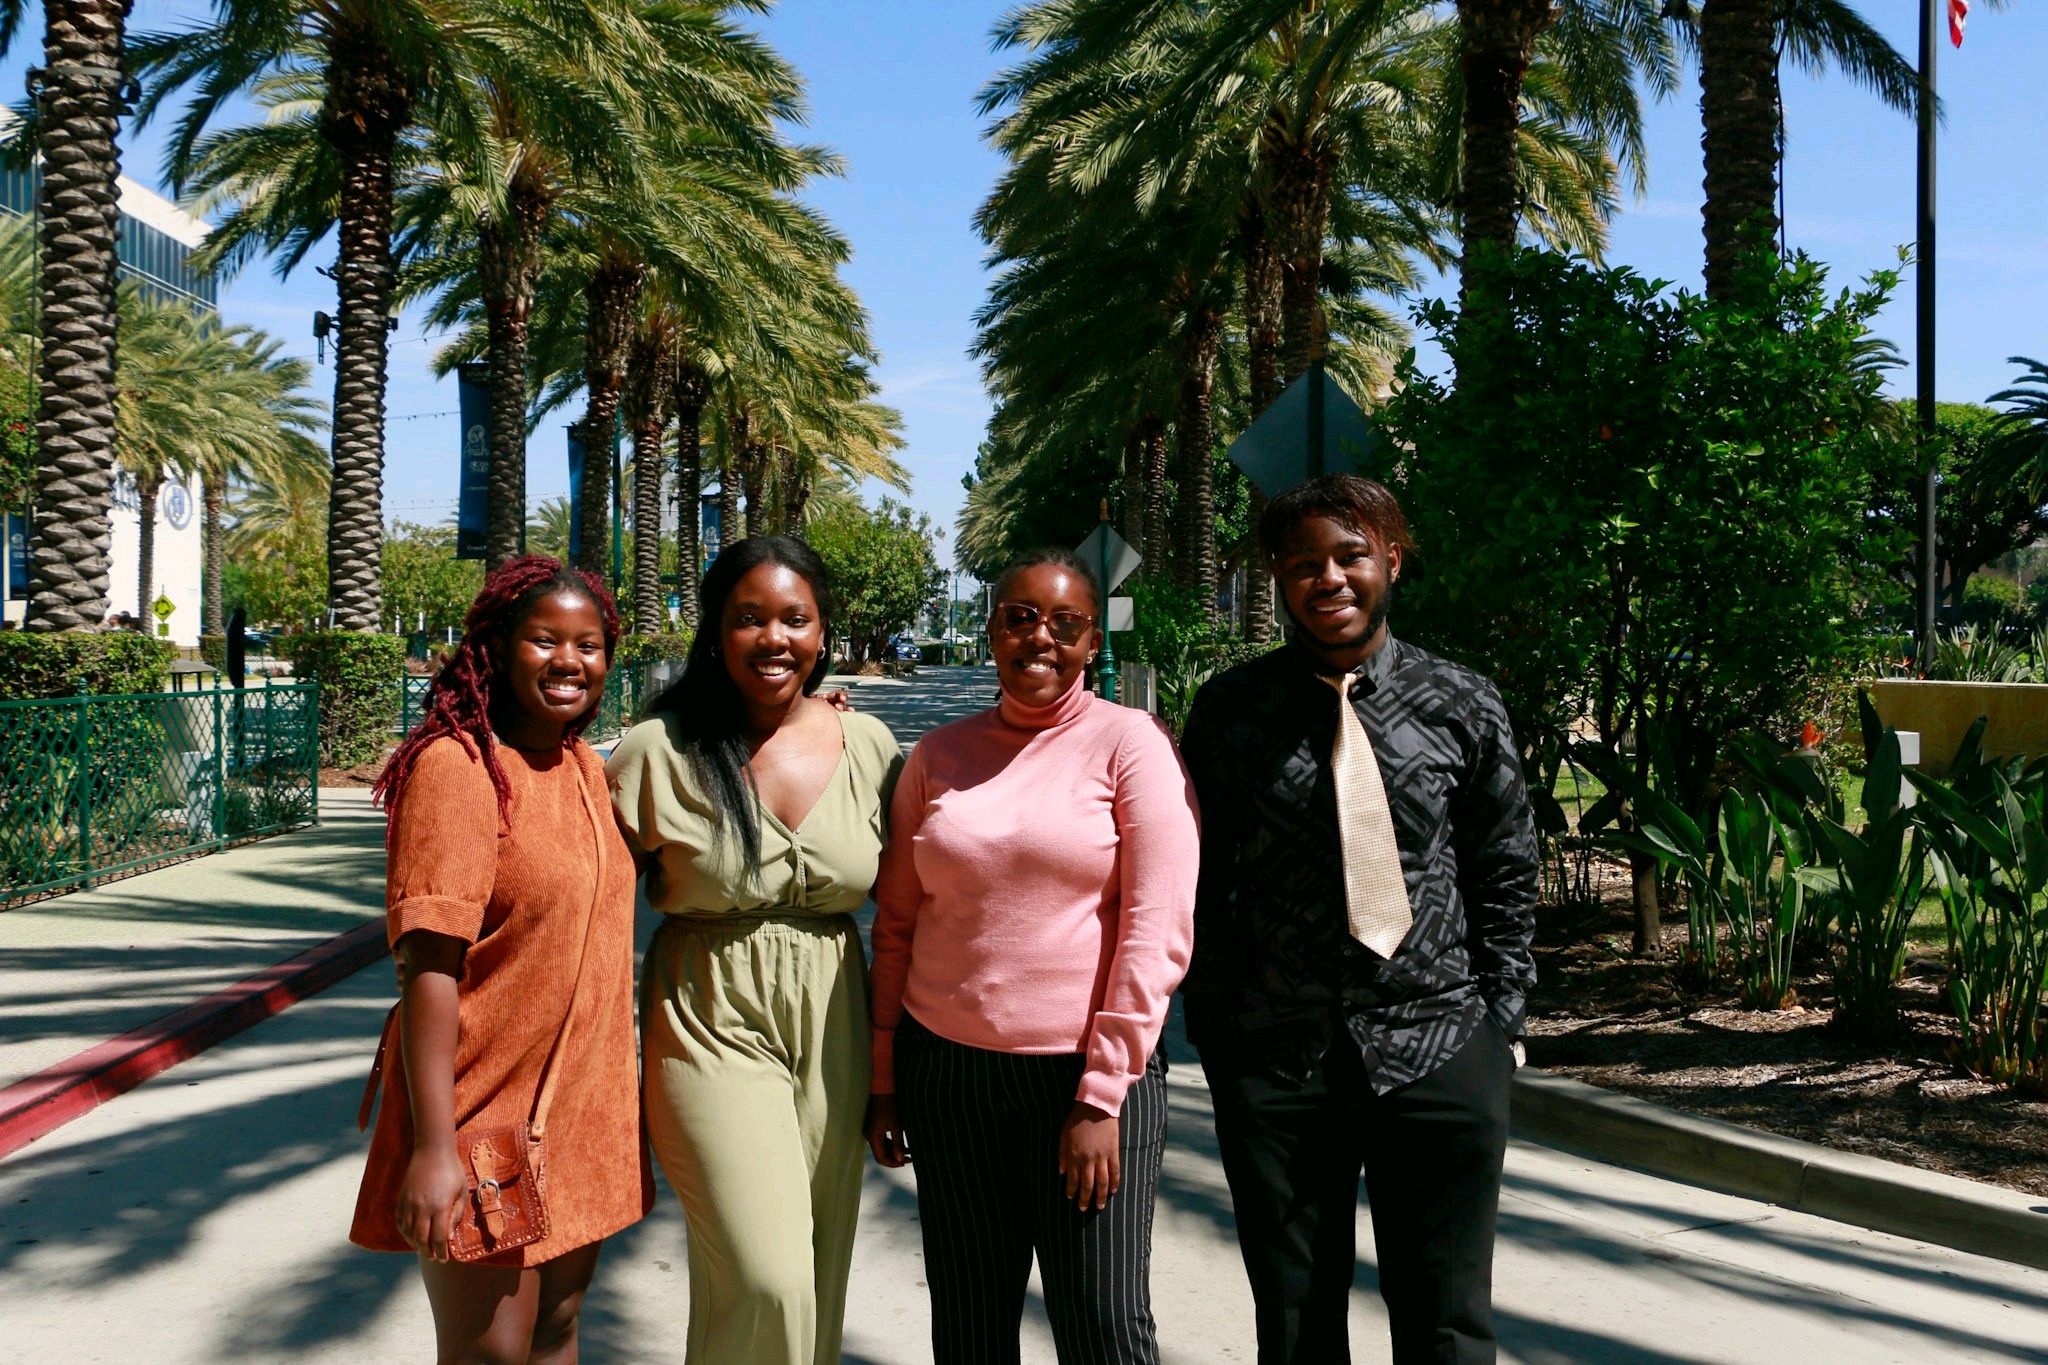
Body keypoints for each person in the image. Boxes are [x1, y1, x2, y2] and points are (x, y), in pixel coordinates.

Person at [1178, 475, 1538, 1365]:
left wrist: (1501, 1024)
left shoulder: (1462, 701)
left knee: (1448, 1323)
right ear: (1277, 577)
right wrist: (1221, 1031)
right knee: (1297, 1323)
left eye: (1349, 556)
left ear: (1392, 561)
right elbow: (1197, 874)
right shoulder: (1230, 711)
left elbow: (1505, 865)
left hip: (1440, 1044)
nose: (1327, 578)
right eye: (1303, 564)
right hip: (1279, 1059)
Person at [865, 547, 1199, 1365]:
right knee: (972, 1328)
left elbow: (1157, 926)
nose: (1040, 637)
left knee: (1105, 1328)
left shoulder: (1132, 745)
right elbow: (898, 925)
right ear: (991, 630)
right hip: (948, 1076)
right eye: (1020, 617)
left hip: (1082, 1080)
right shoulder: (936, 757)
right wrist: (884, 1078)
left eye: (1065, 622)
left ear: (1091, 641)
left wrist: (1100, 1097)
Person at [607, 535, 902, 1365]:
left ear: (822, 630)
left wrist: (894, 1067)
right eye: (748, 619)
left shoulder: (870, 746)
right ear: (715, 630)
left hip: (833, 1019)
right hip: (706, 1015)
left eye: (794, 619)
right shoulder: (656, 750)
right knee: (766, 1273)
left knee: (816, 1270)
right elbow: (582, 901)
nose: (774, 638)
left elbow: (922, 909)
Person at [351, 555, 651, 1365]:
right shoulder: (457, 768)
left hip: (581, 1116)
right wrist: (433, 1147)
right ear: (495, 647)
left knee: (557, 1331)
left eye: (589, 645)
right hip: (487, 1119)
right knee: (491, 1353)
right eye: (544, 640)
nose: (569, 662)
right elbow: (429, 969)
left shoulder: (584, 767)